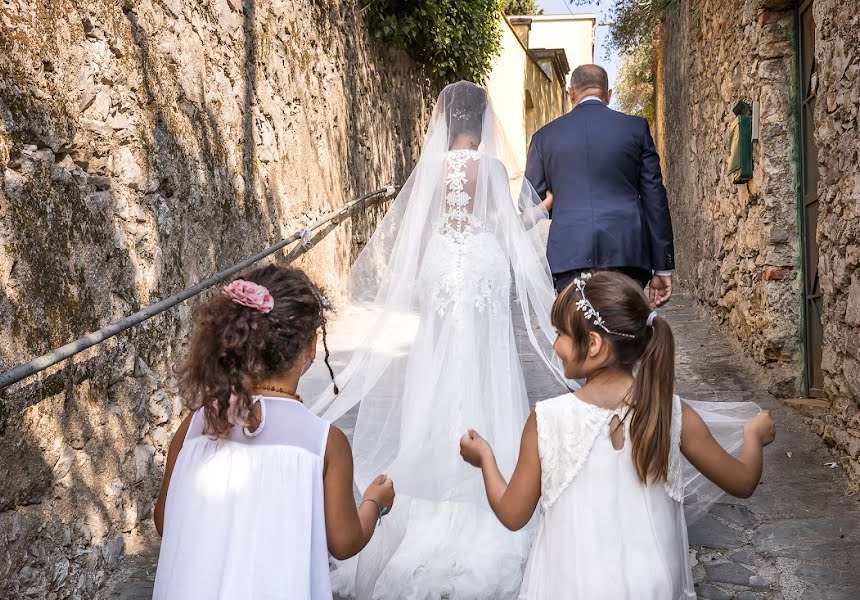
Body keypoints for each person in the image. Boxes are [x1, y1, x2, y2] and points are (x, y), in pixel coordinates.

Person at [301, 81, 576, 598]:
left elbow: (419, 237)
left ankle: (427, 496)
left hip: (440, 270)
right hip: (483, 270)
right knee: (488, 363)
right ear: (480, 123)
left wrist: (437, 266)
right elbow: (507, 232)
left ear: (446, 122)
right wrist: (539, 212)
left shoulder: (427, 172)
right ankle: (491, 478)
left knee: (437, 362)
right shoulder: (492, 170)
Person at [459, 270, 776, 599]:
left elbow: (512, 514)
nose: (555, 345)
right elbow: (743, 482)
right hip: (653, 585)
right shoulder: (670, 413)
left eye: (561, 334)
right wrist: (753, 436)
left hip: (573, 587)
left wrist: (485, 458)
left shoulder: (547, 421)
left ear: (593, 344)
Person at [152, 265, 395, 599]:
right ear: (310, 348)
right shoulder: (325, 443)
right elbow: (344, 541)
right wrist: (374, 502)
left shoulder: (194, 426)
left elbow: (166, 522)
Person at [525, 64, 675, 308]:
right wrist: (663, 265)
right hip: (626, 251)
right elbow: (655, 199)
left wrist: (558, 200)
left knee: (579, 336)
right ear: (609, 94)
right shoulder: (635, 129)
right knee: (622, 336)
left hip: (569, 252)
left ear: (571, 93)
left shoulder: (544, 137)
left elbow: (529, 199)